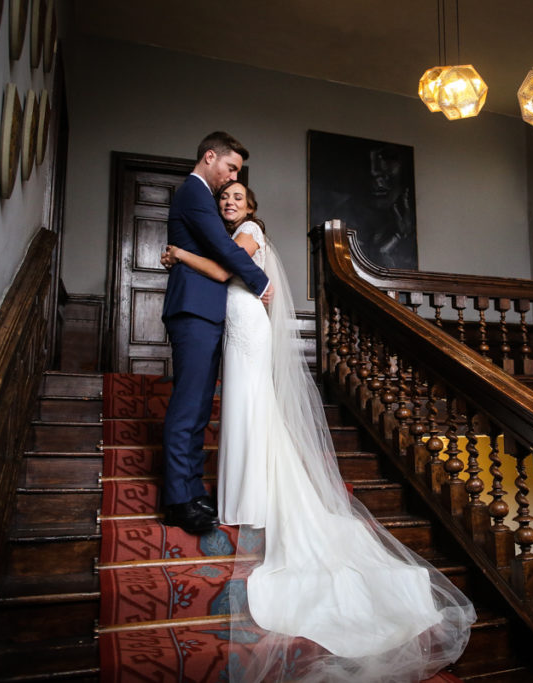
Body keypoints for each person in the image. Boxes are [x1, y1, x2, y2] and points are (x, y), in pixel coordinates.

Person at [162, 181, 475, 682]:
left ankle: (250, 499)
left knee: (249, 408)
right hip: (241, 324)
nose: (230, 203)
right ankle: (245, 495)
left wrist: (179, 253)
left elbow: (225, 271)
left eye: (238, 196)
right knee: (246, 410)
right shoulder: (230, 234)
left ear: (251, 207)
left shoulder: (246, 232)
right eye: (225, 198)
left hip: (246, 328)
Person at [161, 131, 272, 536]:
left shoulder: (205, 201)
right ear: (210, 156)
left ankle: (190, 490)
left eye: (236, 174)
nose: (230, 179)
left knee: (199, 407)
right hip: (193, 309)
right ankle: (178, 500)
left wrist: (179, 253)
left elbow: (219, 254)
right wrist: (260, 283)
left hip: (209, 313)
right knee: (188, 406)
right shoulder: (193, 194)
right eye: (230, 168)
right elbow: (224, 257)